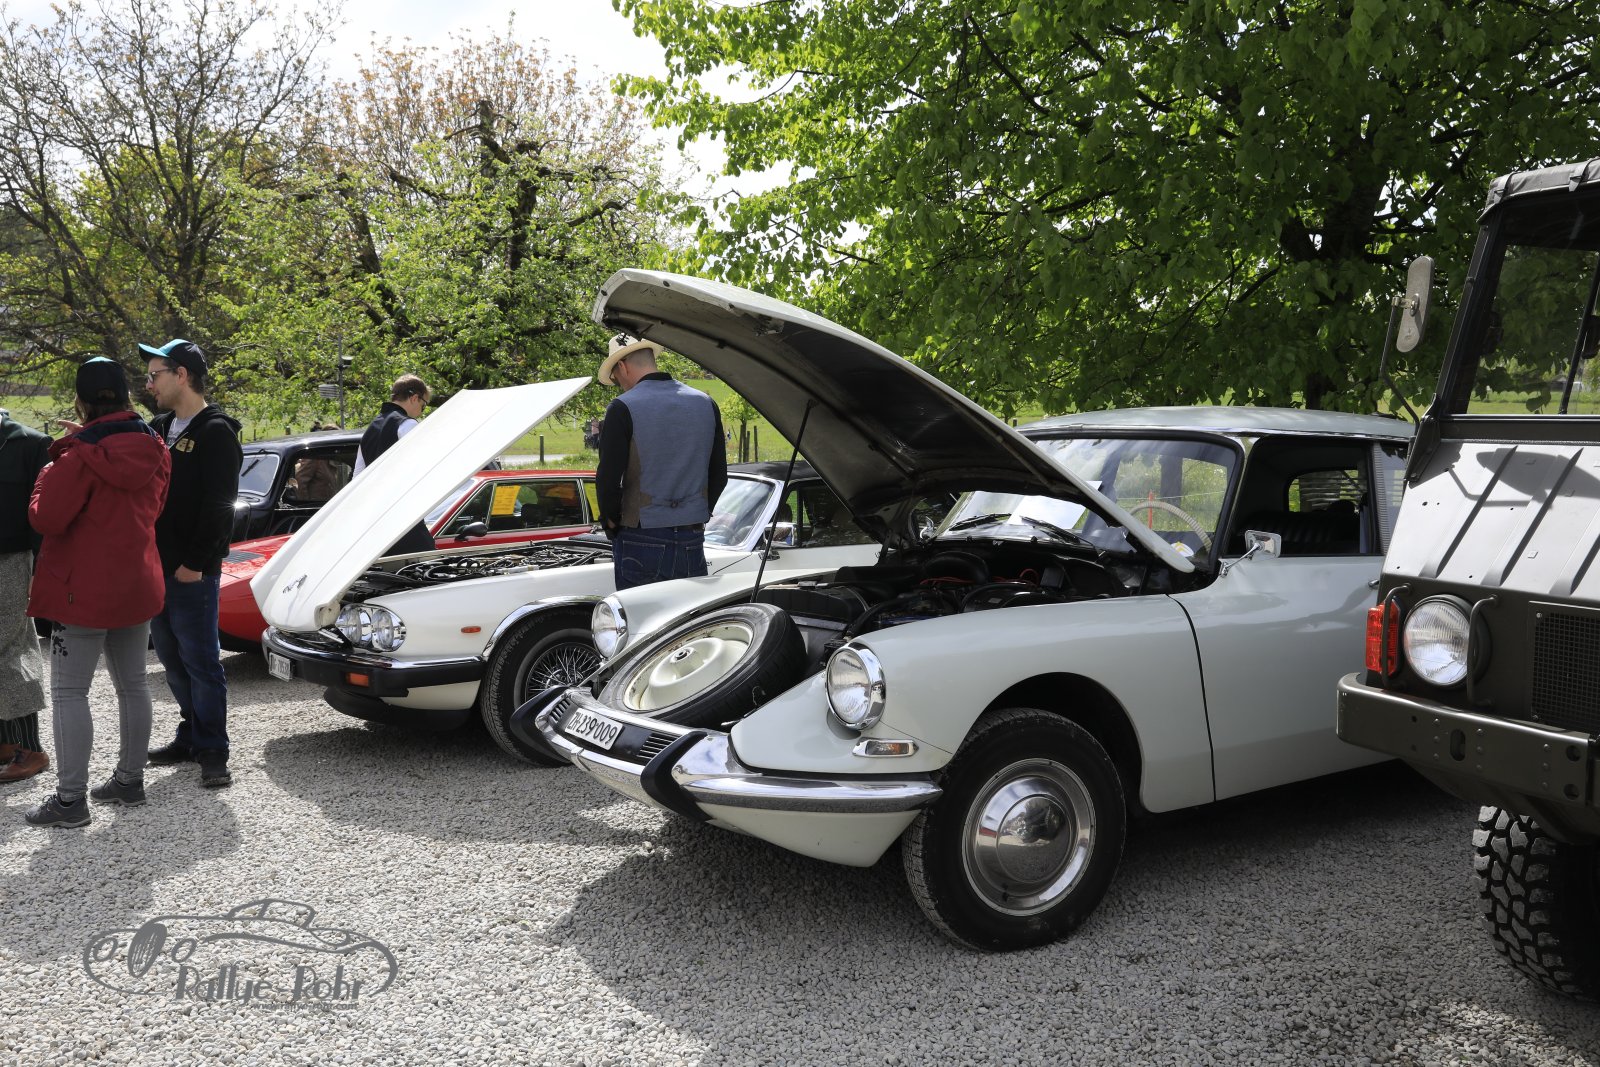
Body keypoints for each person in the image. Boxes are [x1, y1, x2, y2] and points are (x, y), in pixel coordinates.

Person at [22, 358, 169, 827]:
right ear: (125, 395)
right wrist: (81, 444)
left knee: (70, 692)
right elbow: (155, 508)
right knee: (133, 684)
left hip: (82, 590)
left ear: (81, 401)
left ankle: (70, 801)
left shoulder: (75, 457)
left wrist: (54, 465)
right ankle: (130, 780)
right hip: (137, 582)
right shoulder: (156, 445)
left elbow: (45, 518)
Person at [139, 338, 243, 788]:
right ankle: (191, 733)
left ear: (181, 375)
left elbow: (220, 506)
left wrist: (196, 563)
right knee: (171, 659)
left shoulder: (216, 431)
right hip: (156, 568)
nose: (149, 385)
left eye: (154, 375)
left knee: (201, 663)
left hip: (191, 572)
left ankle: (214, 750)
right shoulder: (159, 427)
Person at [595, 333, 727, 590]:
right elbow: (719, 475)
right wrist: (697, 513)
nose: (618, 383)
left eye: (615, 377)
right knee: (689, 612)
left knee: (642, 614)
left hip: (640, 534)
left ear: (622, 366)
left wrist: (611, 524)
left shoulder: (622, 407)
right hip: (691, 536)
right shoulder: (706, 403)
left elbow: (608, 479)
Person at [0, 410, 51, 784]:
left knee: (12, 651)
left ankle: (31, 749)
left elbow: (43, 515)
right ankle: (5, 741)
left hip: (13, 562)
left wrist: (39, 570)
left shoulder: (31, 444)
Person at [356, 373, 434, 555]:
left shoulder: (370, 429)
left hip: (375, 521)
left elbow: (357, 476)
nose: (421, 411)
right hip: (403, 516)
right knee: (426, 561)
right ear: (414, 398)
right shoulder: (408, 425)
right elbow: (421, 469)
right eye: (423, 405)